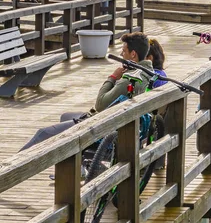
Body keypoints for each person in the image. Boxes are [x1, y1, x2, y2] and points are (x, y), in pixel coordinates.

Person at [20, 32, 155, 151]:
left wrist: (112, 78)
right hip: (120, 125)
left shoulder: (130, 79)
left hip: (101, 128)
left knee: (43, 133)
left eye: (124, 51)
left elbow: (100, 104)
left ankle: (8, 171)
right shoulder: (148, 74)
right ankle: (78, 168)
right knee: (65, 116)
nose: (120, 54)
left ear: (133, 54)